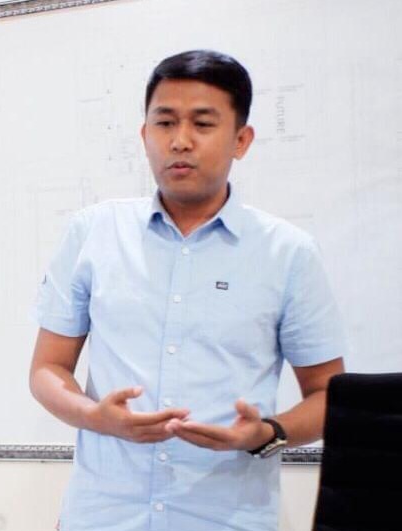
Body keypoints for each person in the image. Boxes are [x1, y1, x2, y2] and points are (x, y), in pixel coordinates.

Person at [30, 49, 346, 531]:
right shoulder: (93, 233)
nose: (180, 141)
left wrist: (267, 433)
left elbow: (327, 395)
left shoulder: (288, 253)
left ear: (241, 140)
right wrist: (96, 417)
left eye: (202, 123)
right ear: (144, 135)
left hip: (226, 517)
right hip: (103, 516)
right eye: (164, 123)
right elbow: (47, 368)